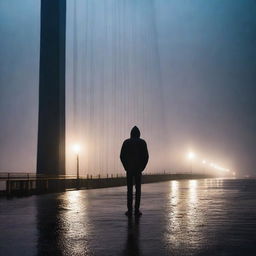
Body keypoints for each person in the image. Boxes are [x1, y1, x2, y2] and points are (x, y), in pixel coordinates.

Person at [120, 126, 149, 217]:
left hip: (129, 169)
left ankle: (129, 210)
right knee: (138, 190)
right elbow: (146, 156)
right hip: (138, 169)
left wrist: (126, 167)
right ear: (139, 134)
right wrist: (142, 167)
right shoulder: (142, 142)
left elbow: (122, 156)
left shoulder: (126, 142)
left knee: (129, 190)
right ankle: (136, 210)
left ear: (131, 133)